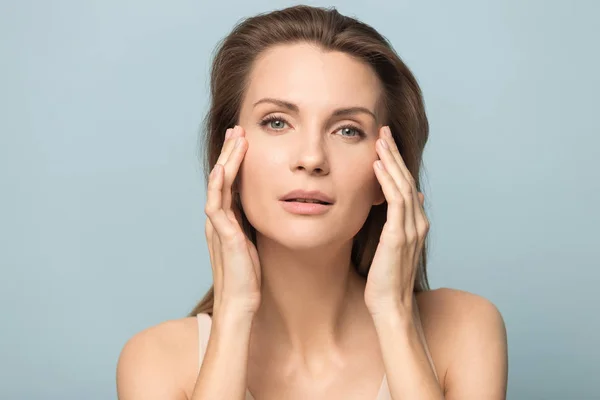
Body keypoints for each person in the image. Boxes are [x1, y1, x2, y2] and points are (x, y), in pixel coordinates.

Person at [116, 5, 508, 399]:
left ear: (386, 176)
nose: (312, 158)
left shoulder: (465, 329)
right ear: (228, 158)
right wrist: (233, 316)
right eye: (276, 122)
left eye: (347, 130)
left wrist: (394, 315)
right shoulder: (157, 361)